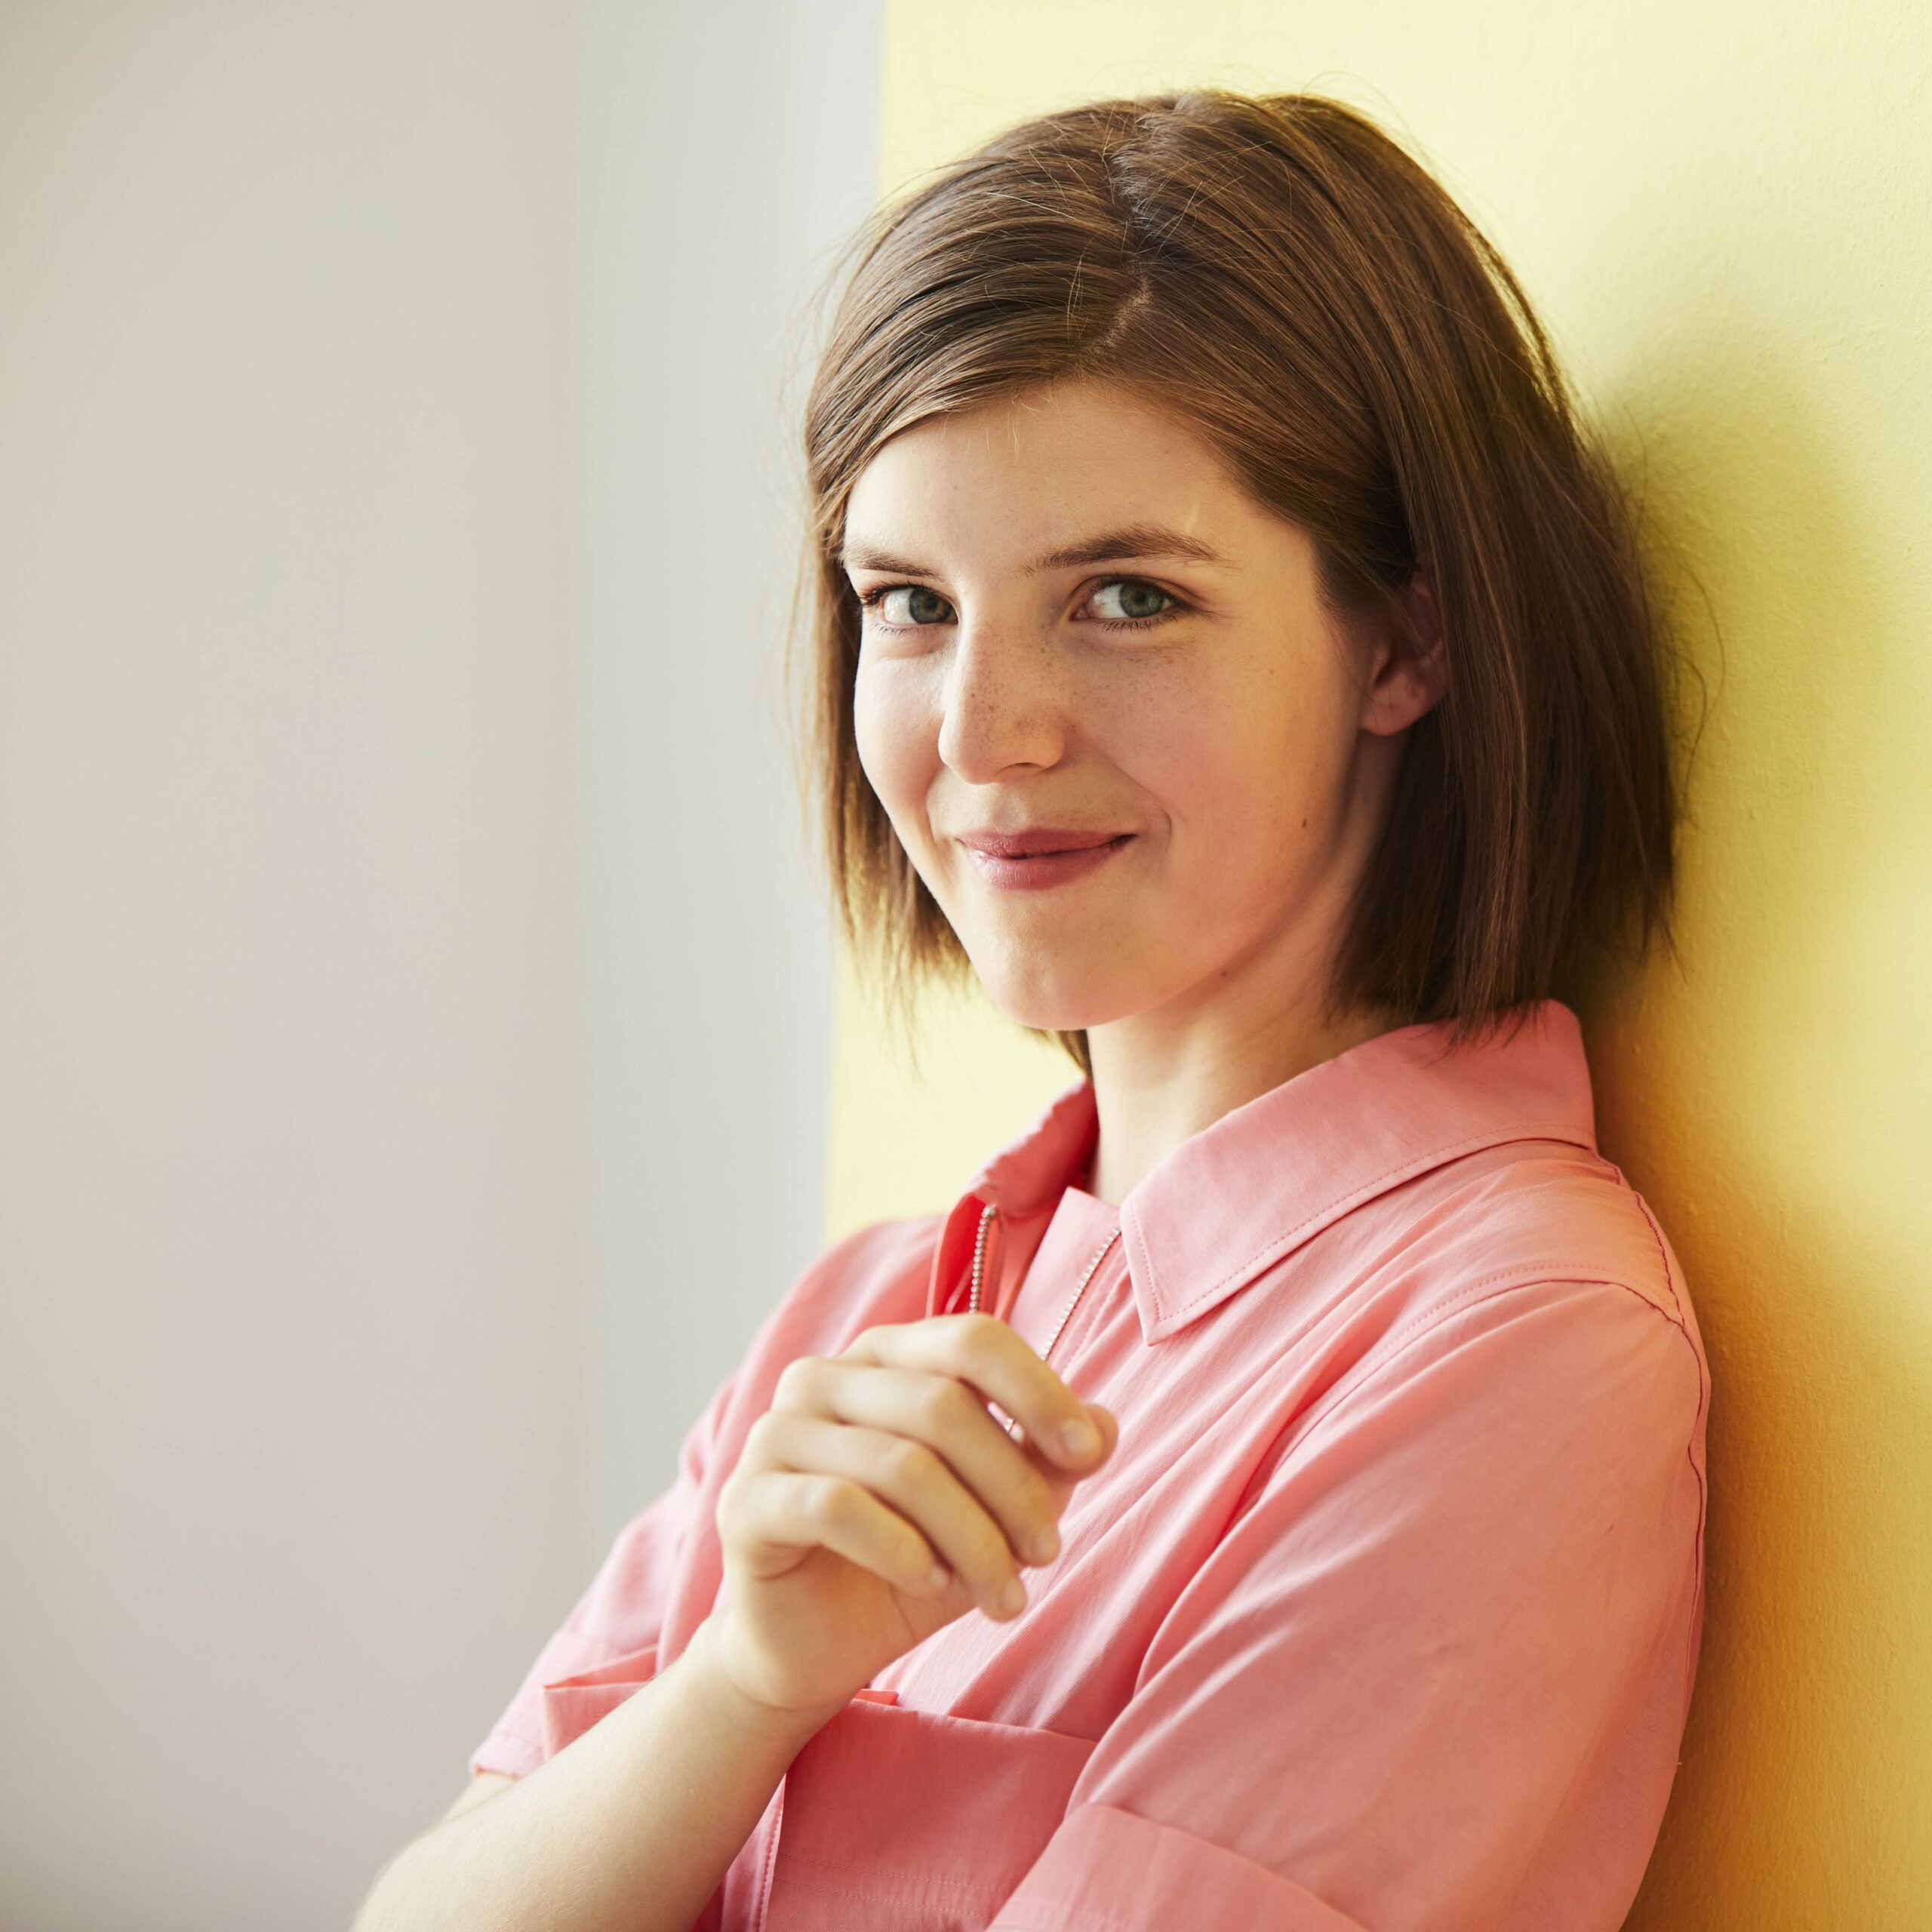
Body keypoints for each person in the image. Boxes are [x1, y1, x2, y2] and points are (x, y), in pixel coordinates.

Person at [353, 87, 1709, 1932]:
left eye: (1125, 597)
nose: (981, 736)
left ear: (1404, 638)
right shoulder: (867, 1307)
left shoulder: (1513, 1335)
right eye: (908, 603)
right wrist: (743, 1684)